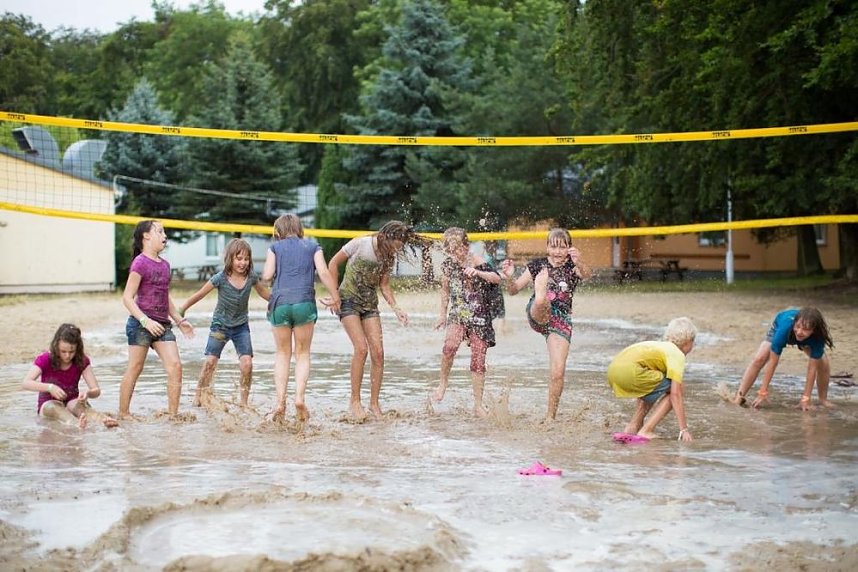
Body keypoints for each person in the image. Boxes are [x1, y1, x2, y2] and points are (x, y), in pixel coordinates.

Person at [326, 220, 427, 421]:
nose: (394, 251)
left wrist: (397, 309)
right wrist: (334, 294)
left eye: (398, 248)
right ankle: (355, 401)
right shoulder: (360, 244)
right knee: (361, 349)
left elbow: (385, 285)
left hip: (370, 305)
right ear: (383, 237)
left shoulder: (389, 256)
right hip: (348, 301)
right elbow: (333, 263)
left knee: (379, 353)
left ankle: (374, 404)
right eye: (393, 246)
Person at [501, 228, 592, 420]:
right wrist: (509, 276)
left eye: (562, 247)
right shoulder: (537, 265)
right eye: (553, 247)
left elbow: (587, 275)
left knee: (558, 372)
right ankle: (541, 294)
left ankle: (550, 417)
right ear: (547, 247)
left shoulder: (572, 265)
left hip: (561, 320)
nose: (557, 252)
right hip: (538, 313)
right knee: (542, 301)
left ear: (569, 248)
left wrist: (580, 262)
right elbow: (513, 290)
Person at [262, 214, 341, 423]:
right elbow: (324, 272)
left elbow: (267, 275)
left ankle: (280, 403)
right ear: (300, 229)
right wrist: (336, 297)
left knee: (282, 353)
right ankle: (299, 398)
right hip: (304, 303)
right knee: (303, 353)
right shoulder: (313, 247)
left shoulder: (274, 248)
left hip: (280, 303)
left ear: (278, 232)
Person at [178, 238, 269, 408]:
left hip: (241, 327)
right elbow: (200, 294)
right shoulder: (220, 278)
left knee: (247, 363)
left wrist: (280, 302)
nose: (243, 263)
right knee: (210, 361)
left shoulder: (251, 277)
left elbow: (264, 293)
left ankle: (243, 403)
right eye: (239, 258)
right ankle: (198, 394)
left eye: (246, 259)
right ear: (230, 258)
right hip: (220, 325)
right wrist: (182, 309)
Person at [118, 220, 194, 419]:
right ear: (146, 236)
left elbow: (164, 296)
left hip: (162, 325)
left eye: (164, 232)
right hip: (140, 324)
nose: (164, 236)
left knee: (176, 366)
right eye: (160, 231)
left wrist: (179, 321)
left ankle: (173, 416)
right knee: (135, 368)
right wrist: (146, 321)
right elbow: (127, 298)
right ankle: (124, 414)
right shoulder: (140, 262)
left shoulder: (166, 265)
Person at [431, 228, 501, 416]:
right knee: (449, 347)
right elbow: (445, 290)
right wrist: (442, 315)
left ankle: (478, 404)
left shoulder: (478, 261)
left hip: (480, 316)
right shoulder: (448, 264)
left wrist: (478, 273)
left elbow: (497, 279)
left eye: (457, 249)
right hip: (459, 313)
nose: (454, 253)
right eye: (450, 250)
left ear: (466, 246)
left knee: (478, 360)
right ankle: (442, 384)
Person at [607, 317, 698, 442]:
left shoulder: (659, 347)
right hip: (632, 372)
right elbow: (676, 394)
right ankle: (646, 430)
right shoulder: (677, 354)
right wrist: (684, 429)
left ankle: (633, 426)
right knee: (678, 388)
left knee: (656, 384)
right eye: (693, 342)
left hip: (613, 371)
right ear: (688, 341)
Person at [732, 307, 834, 411]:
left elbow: (812, 369)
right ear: (794, 323)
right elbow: (772, 362)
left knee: (823, 363)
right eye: (797, 327)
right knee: (759, 358)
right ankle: (739, 396)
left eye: (805, 329)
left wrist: (805, 399)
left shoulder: (817, 339)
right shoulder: (783, 330)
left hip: (808, 339)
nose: (799, 332)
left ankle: (823, 399)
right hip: (783, 329)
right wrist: (763, 392)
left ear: (814, 330)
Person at [21, 323, 118, 428]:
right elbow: (26, 383)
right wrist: (50, 387)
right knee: (54, 408)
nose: (67, 356)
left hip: (72, 401)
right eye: (63, 351)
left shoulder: (82, 360)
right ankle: (76, 424)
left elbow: (96, 390)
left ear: (77, 348)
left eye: (72, 352)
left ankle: (103, 419)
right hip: (48, 404)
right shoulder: (45, 359)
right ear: (56, 346)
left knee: (83, 409)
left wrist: (87, 394)